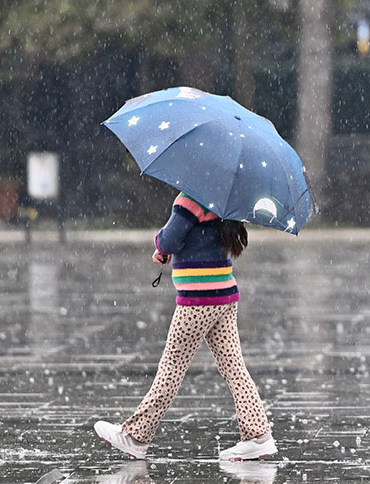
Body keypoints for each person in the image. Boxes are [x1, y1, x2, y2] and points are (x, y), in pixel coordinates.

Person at [95, 192, 276, 461]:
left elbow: (170, 238)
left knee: (172, 365)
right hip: (224, 293)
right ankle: (258, 435)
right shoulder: (223, 200)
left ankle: (136, 436)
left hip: (198, 298)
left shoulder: (191, 199)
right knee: (234, 367)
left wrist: (161, 245)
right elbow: (196, 240)